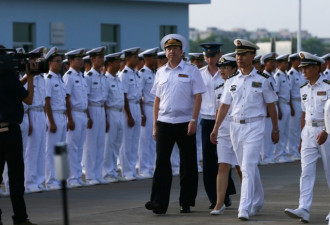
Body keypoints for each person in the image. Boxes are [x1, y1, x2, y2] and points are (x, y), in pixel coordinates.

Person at [210, 39, 279, 220]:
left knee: (247, 166)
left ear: (252, 56)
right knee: (248, 167)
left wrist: (275, 129)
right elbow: (224, 106)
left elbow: (271, 105)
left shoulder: (262, 80)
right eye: (237, 54)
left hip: (255, 125)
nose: (239, 58)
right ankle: (258, 199)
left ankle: (244, 207)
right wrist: (216, 128)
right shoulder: (232, 80)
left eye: (243, 54)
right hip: (235, 127)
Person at [145, 33, 206, 214]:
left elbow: (198, 96)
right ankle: (158, 203)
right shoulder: (161, 72)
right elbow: (157, 100)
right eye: (168, 48)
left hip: (185, 121)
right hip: (164, 122)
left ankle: (186, 201)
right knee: (162, 163)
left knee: (188, 164)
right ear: (165, 51)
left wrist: (194, 120)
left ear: (182, 51)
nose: (171, 51)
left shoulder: (191, 70)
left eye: (175, 48)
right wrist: (155, 125)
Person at [284, 52, 330, 223]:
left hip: (327, 131)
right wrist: (302, 137)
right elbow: (304, 114)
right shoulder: (303, 88)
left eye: (306, 67)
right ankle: (304, 208)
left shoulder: (327, 86)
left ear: (316, 68)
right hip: (309, 132)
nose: (303, 70)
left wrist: (326, 130)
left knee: (329, 171)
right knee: (306, 172)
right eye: (302, 67)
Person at [0, 45, 37, 225]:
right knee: (16, 178)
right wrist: (30, 78)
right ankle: (20, 218)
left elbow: (10, 89)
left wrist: (22, 79)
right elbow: (28, 99)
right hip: (11, 132)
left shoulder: (8, 79)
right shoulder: (8, 77)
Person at [199, 43, 235, 210]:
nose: (209, 59)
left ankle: (225, 196)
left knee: (225, 160)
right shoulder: (199, 74)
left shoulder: (225, 73)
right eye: (206, 56)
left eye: (212, 56)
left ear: (219, 55)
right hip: (207, 120)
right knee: (208, 161)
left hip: (226, 120)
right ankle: (214, 199)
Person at [210, 56, 240, 215]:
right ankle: (219, 203)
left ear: (234, 69)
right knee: (223, 165)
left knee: (241, 168)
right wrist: (215, 128)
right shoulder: (218, 87)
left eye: (226, 67)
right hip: (223, 129)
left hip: (238, 127)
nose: (221, 70)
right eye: (220, 66)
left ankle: (248, 201)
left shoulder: (241, 83)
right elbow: (218, 110)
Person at [63, 48, 89, 188]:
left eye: (82, 59)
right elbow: (66, 98)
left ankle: (77, 176)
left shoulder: (81, 76)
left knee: (79, 147)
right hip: (74, 113)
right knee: (72, 147)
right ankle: (72, 178)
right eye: (78, 59)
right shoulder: (69, 76)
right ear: (71, 61)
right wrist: (69, 118)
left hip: (82, 113)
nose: (81, 61)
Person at [83, 46, 109, 185]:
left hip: (101, 110)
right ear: (92, 59)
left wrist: (105, 116)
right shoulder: (88, 76)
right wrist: (88, 116)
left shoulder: (103, 77)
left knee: (100, 143)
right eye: (99, 57)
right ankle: (90, 175)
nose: (101, 60)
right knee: (91, 145)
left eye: (102, 57)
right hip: (92, 109)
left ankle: (98, 174)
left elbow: (104, 98)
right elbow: (85, 98)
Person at [118, 47, 144, 181]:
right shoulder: (124, 75)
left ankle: (133, 170)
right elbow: (124, 96)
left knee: (135, 142)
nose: (137, 60)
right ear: (128, 59)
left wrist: (141, 113)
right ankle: (126, 171)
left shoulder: (136, 74)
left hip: (136, 107)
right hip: (128, 108)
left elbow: (139, 96)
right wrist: (128, 115)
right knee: (126, 142)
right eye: (135, 57)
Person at [25, 46, 47, 193]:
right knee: (31, 150)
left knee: (40, 150)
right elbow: (25, 101)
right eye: (34, 60)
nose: (36, 63)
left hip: (41, 113)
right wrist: (30, 121)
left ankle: (39, 181)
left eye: (38, 60)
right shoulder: (26, 77)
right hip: (31, 113)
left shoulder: (42, 78)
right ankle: (30, 182)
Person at [44, 47, 67, 190]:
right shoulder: (49, 79)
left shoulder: (59, 79)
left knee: (61, 150)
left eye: (61, 61)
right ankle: (51, 179)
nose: (60, 64)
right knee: (51, 150)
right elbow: (47, 102)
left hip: (62, 115)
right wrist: (51, 121)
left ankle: (60, 178)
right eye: (57, 61)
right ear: (50, 63)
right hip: (53, 116)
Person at [103, 52, 125, 182]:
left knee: (117, 143)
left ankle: (113, 171)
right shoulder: (105, 80)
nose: (119, 64)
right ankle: (107, 172)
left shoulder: (117, 79)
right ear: (110, 64)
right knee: (109, 144)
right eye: (117, 62)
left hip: (119, 112)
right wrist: (105, 118)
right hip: (110, 112)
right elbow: (105, 100)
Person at [137, 47, 158, 179]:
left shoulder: (154, 73)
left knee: (153, 140)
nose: (156, 60)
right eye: (154, 57)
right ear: (147, 59)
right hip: (146, 107)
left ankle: (151, 166)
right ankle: (144, 168)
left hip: (155, 108)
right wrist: (142, 114)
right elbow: (138, 94)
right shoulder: (142, 73)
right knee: (145, 140)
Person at [260, 53, 278, 165]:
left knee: (271, 131)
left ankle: (269, 155)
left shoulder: (271, 76)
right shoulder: (264, 77)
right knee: (266, 134)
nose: (274, 64)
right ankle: (265, 156)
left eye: (274, 62)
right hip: (267, 107)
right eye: (271, 62)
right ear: (265, 63)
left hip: (273, 104)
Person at [274, 54, 292, 163]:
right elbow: (276, 93)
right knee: (280, 130)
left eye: (286, 63)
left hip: (287, 104)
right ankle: (278, 154)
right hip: (281, 104)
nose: (286, 64)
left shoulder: (286, 75)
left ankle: (283, 153)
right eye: (284, 63)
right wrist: (279, 109)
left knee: (286, 131)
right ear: (279, 64)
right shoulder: (278, 76)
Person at [286, 53, 304, 161]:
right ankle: (291, 151)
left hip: (300, 102)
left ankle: (297, 150)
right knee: (292, 129)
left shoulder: (300, 73)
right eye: (298, 60)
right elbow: (289, 92)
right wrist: (291, 106)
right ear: (293, 62)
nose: (300, 63)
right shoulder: (291, 74)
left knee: (298, 128)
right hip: (294, 102)